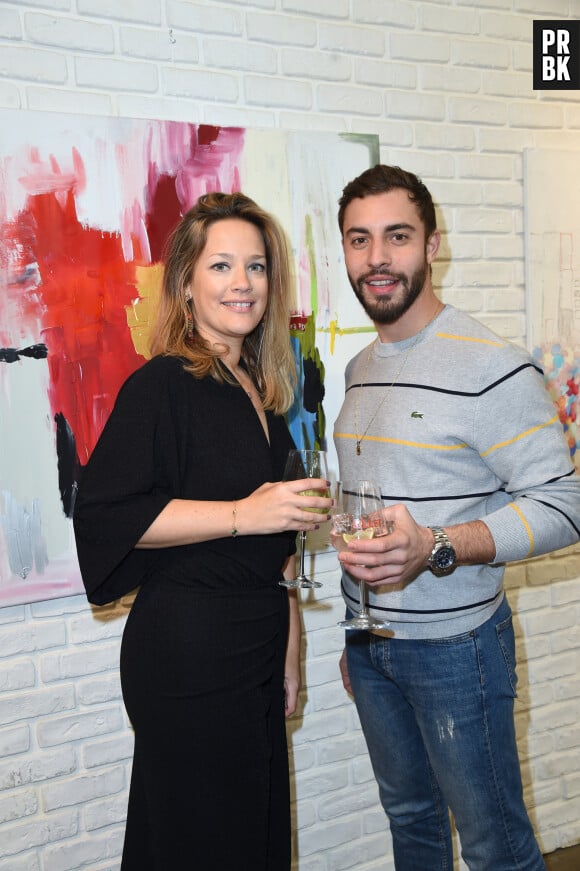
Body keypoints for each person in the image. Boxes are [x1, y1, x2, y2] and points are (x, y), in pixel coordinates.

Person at [73, 191, 332, 871]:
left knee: (248, 834)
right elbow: (111, 512)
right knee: (202, 841)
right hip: (188, 650)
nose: (241, 282)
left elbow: (273, 546)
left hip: (253, 639)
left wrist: (292, 629)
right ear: (187, 281)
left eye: (255, 265)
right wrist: (251, 510)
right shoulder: (162, 384)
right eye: (221, 266)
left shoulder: (259, 386)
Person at [333, 164, 580, 871]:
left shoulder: (494, 367)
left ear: (433, 245)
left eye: (397, 236)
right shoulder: (359, 369)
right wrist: (361, 631)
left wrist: (438, 545)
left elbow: (566, 504)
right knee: (410, 824)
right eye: (359, 239)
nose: (377, 257)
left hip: (458, 651)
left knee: (495, 846)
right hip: (373, 645)